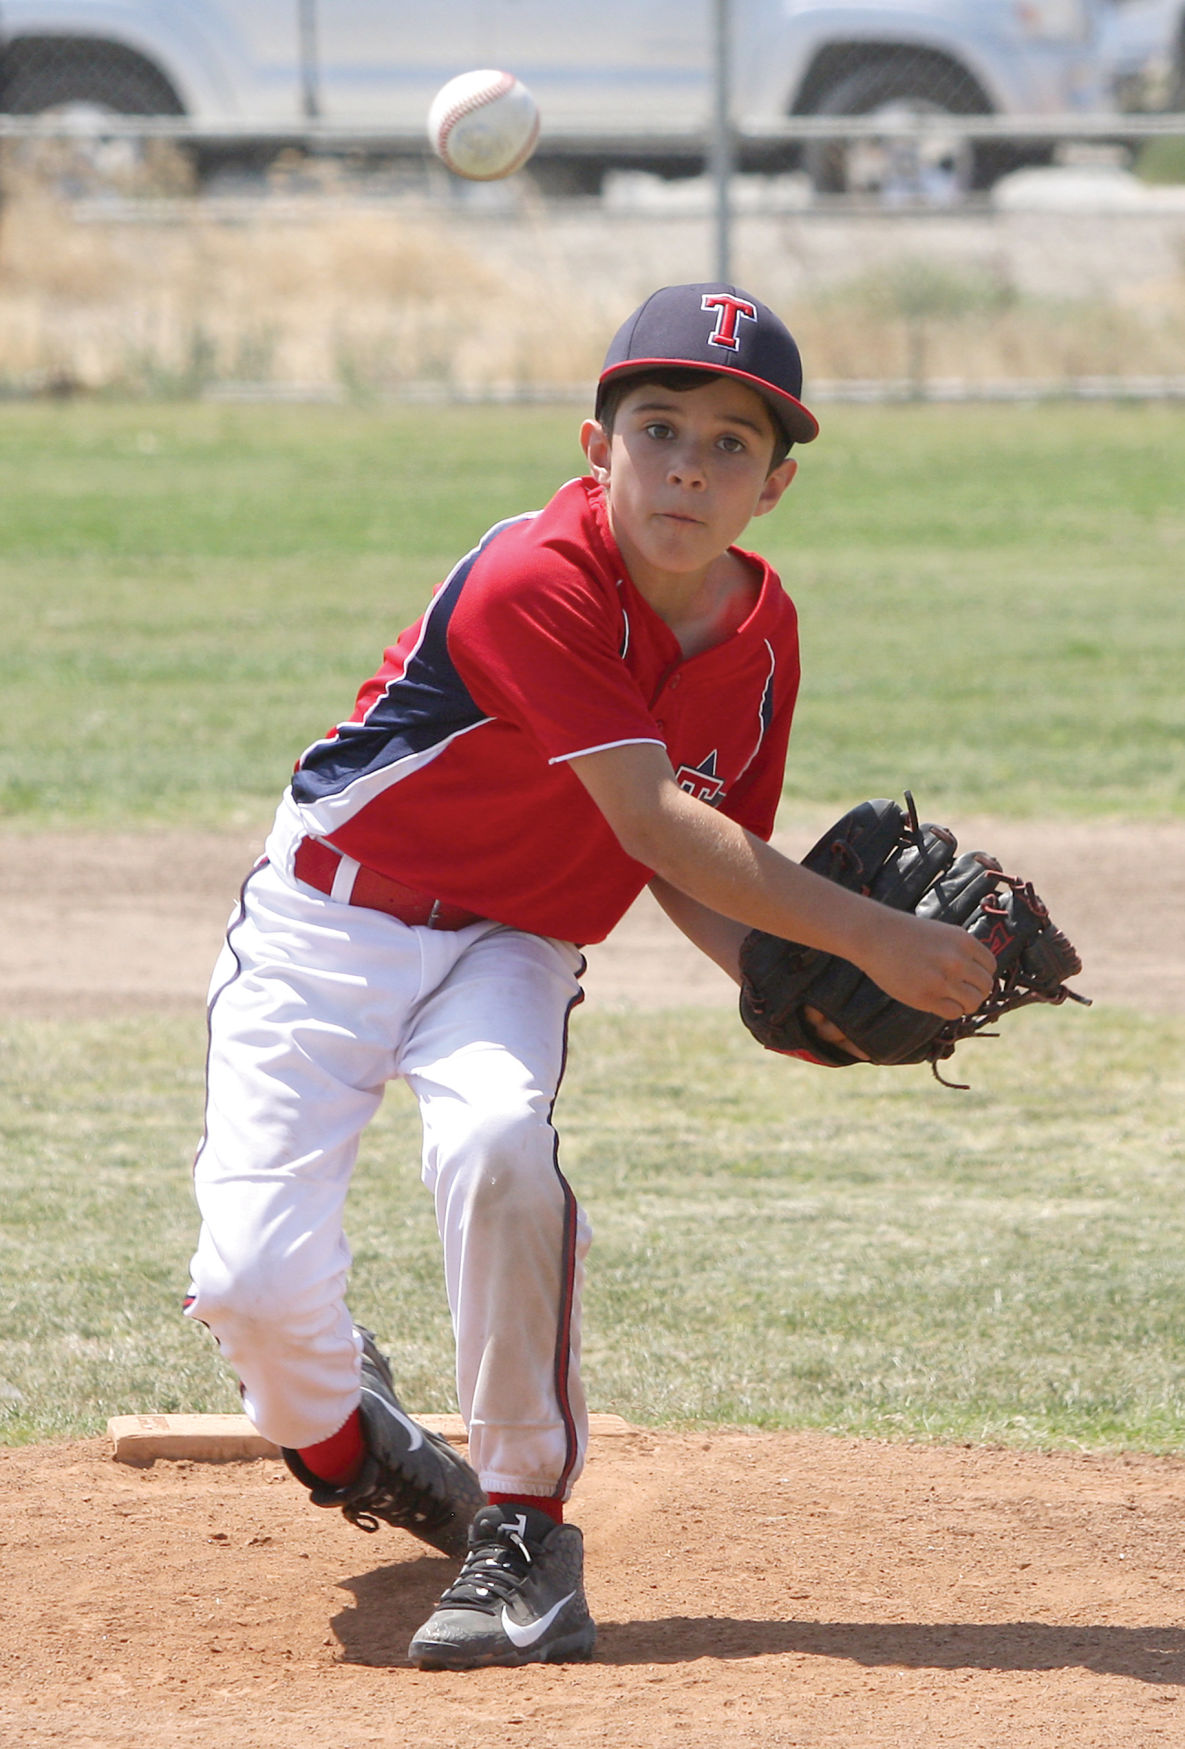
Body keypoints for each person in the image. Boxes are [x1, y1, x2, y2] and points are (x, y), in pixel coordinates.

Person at [185, 282, 994, 1671]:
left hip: (512, 939)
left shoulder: (758, 635)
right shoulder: (530, 577)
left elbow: (704, 856)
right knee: (253, 1284)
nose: (687, 464)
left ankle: (519, 1519)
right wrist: (872, 938)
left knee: (501, 1147)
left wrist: (780, 993)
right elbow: (653, 820)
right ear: (594, 445)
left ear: (776, 484)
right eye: (659, 426)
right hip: (332, 924)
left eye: (730, 444)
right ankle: (351, 1440)